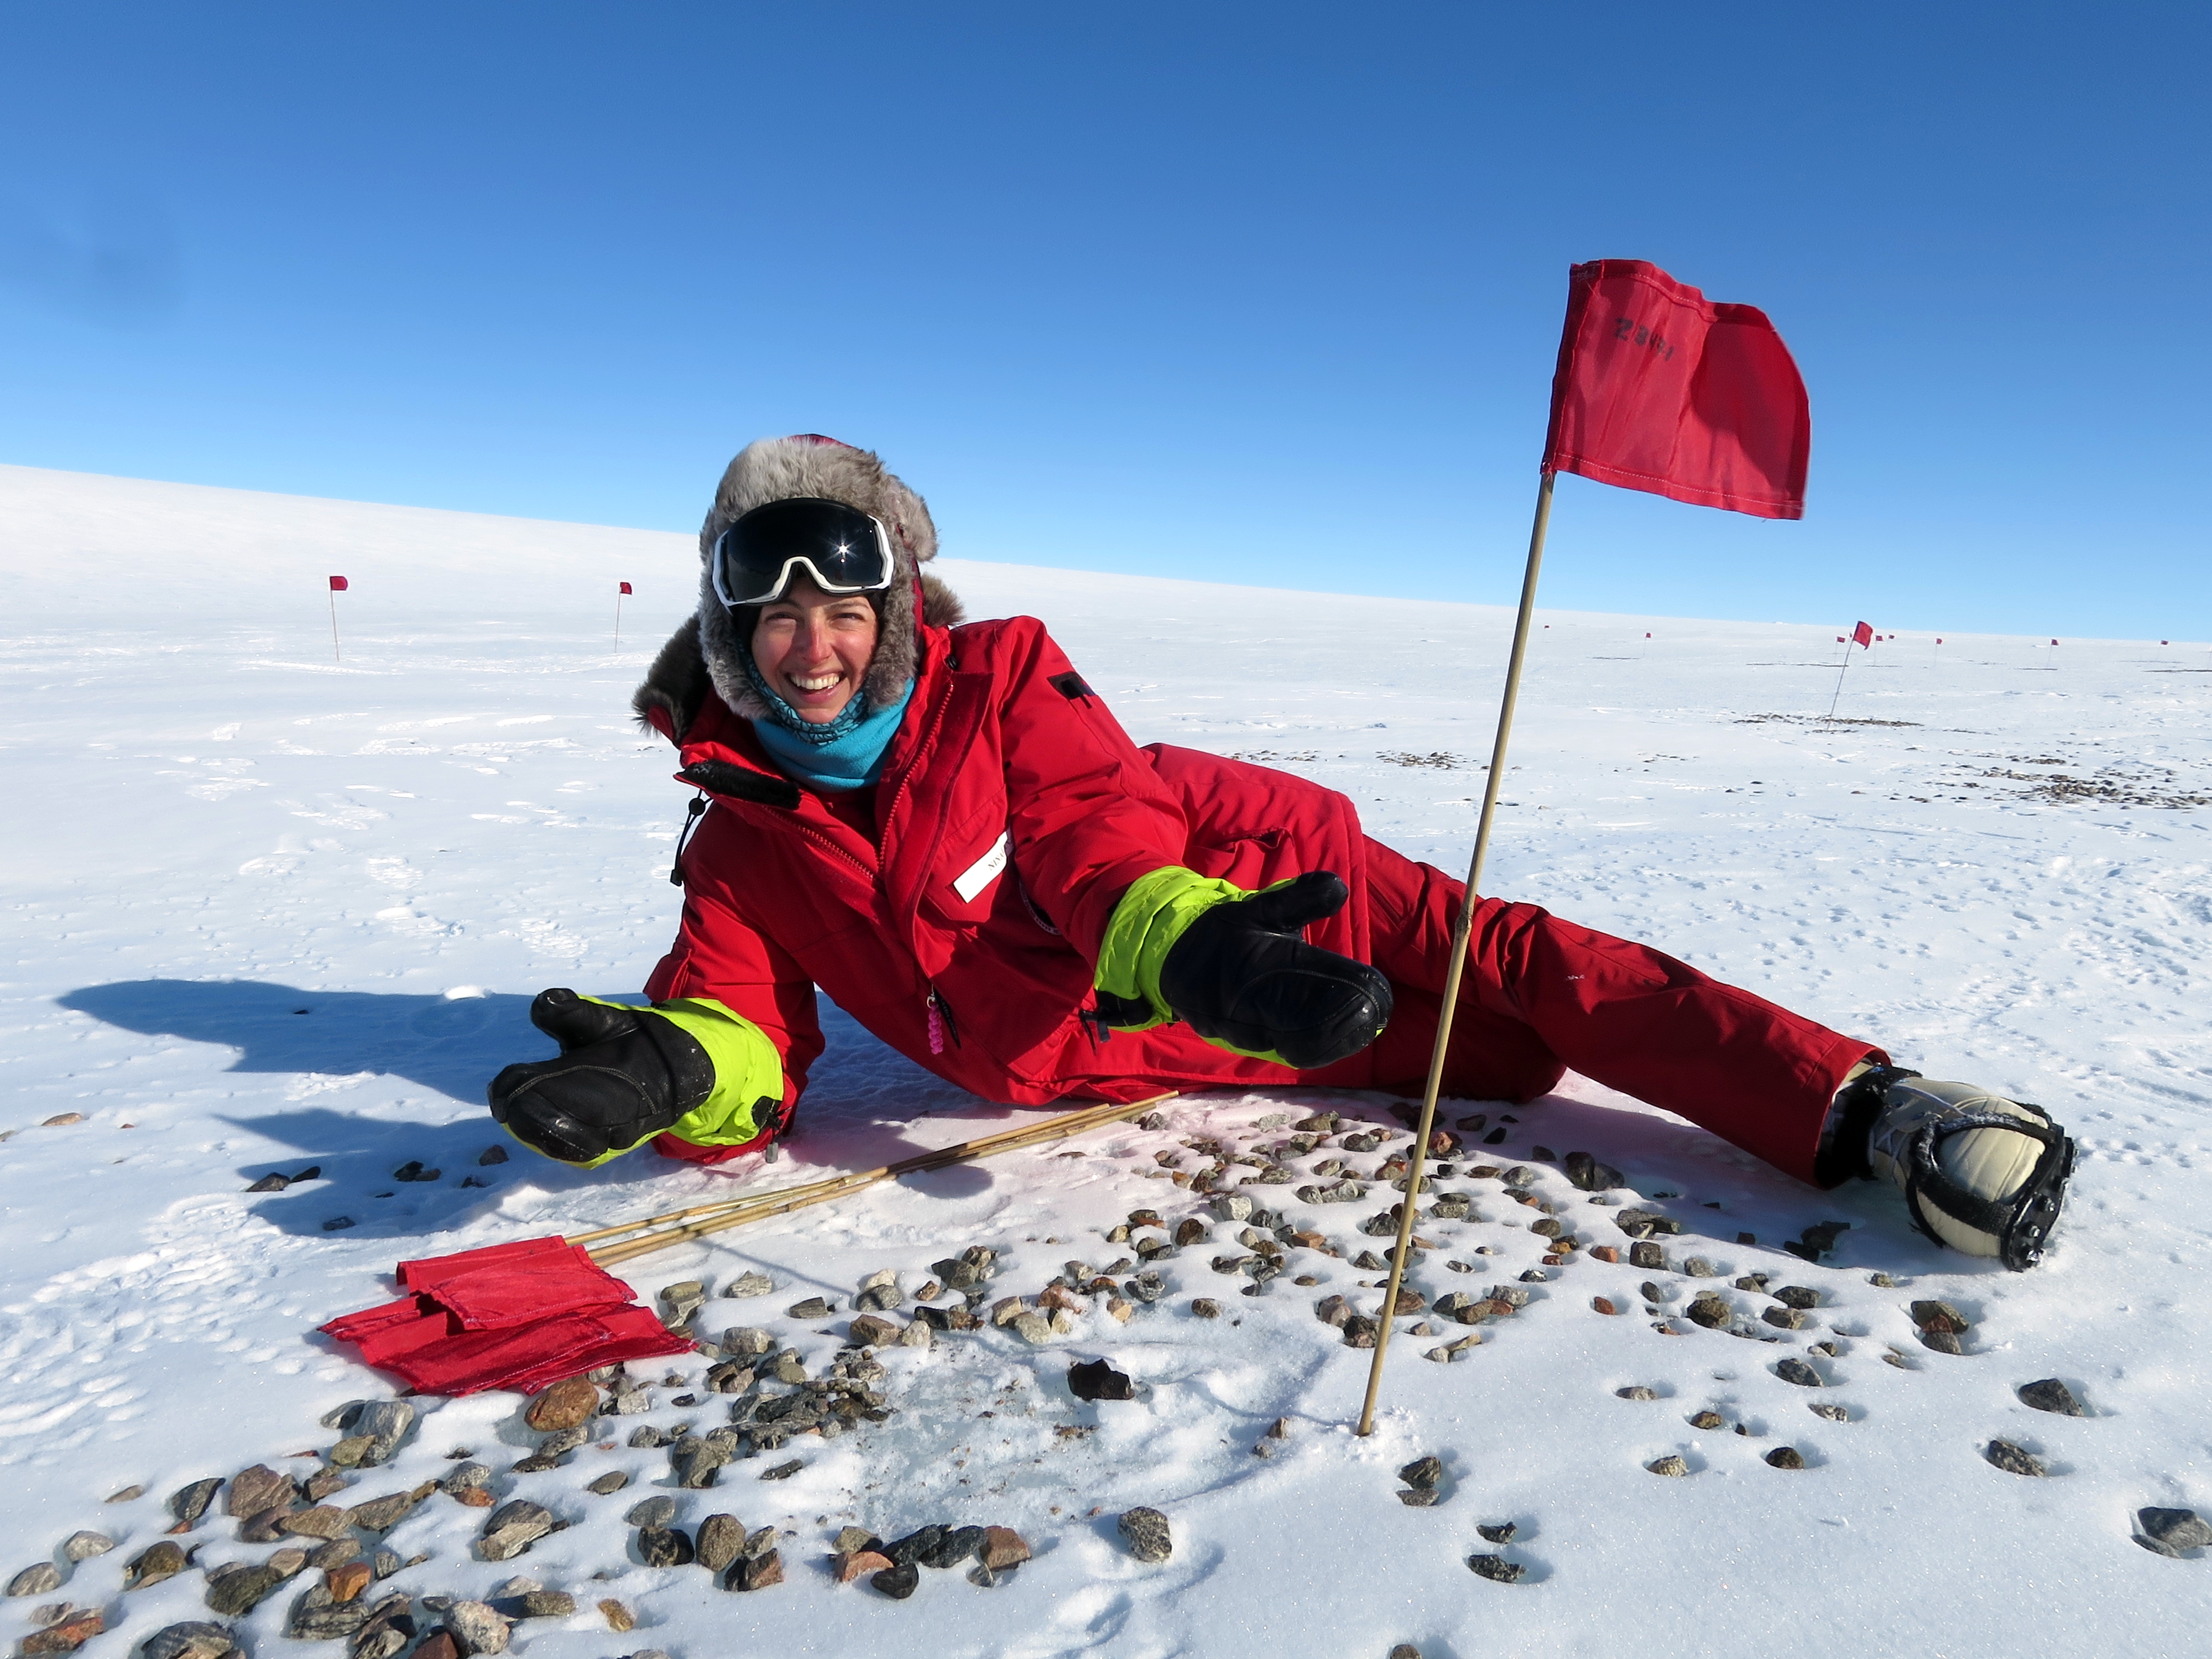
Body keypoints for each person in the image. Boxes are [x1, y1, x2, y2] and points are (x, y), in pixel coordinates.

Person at [488, 436, 2075, 1270]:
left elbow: (1091, 838)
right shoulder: (741, 829)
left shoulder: (1005, 683)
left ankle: (1877, 1116)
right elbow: (744, 1023)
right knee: (1506, 1067)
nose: (816, 651)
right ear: (732, 638)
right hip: (1150, 1043)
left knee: (1524, 973)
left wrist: (1187, 939)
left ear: (895, 616)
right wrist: (672, 1080)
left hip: (1248, 887)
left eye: (846, 612)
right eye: (778, 621)